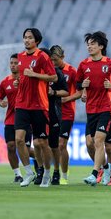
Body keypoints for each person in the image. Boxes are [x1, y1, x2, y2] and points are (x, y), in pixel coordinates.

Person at [75, 31, 111, 186]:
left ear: (101, 46)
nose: (89, 46)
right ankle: (104, 167)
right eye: (88, 44)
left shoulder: (110, 63)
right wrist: (82, 86)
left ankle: (94, 174)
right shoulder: (84, 64)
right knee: (90, 144)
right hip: (91, 109)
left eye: (93, 44)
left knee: (99, 141)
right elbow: (77, 84)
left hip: (106, 108)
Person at [15, 28, 58, 187]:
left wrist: (35, 75)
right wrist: (18, 82)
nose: (26, 40)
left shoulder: (43, 56)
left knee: (41, 143)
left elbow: (53, 76)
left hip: (39, 104)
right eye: (25, 37)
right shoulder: (20, 56)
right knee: (19, 139)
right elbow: (23, 77)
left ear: (37, 41)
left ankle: (47, 172)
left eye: (30, 38)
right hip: (22, 104)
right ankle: (28, 172)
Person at [0, 54, 32, 183]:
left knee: (27, 150)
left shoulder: (27, 79)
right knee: (11, 146)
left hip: (27, 119)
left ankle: (41, 161)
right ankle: (18, 174)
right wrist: (1, 103)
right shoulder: (5, 82)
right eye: (11, 63)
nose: (13, 65)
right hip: (11, 119)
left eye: (16, 63)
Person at [39, 47, 68, 186]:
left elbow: (65, 92)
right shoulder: (34, 73)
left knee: (54, 145)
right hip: (37, 111)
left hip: (53, 112)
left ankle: (56, 171)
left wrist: (54, 92)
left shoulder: (56, 73)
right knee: (38, 143)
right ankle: (41, 171)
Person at [51, 45, 77, 185]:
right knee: (51, 145)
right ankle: (51, 172)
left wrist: (68, 99)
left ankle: (64, 176)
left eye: (56, 60)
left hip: (67, 112)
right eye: (51, 60)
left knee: (62, 144)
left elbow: (80, 92)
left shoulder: (72, 71)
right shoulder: (49, 71)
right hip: (50, 112)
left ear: (62, 57)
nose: (53, 63)